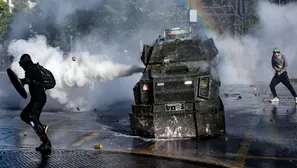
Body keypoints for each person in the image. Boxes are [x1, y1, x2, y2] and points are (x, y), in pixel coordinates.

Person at [18, 54, 52, 153]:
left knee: (33, 118)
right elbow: (32, 81)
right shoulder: (33, 69)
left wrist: (22, 81)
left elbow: (30, 80)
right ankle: (41, 127)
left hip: (38, 98)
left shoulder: (31, 69)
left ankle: (46, 143)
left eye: (22, 65)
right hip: (36, 98)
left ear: (25, 63)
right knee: (24, 116)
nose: (22, 67)